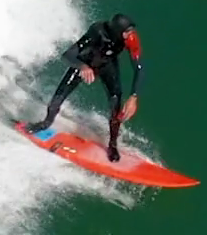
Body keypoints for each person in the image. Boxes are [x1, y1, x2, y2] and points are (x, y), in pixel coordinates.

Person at [26, 13, 143, 161]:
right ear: (117, 31)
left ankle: (112, 145)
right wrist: (83, 67)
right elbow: (68, 54)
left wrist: (134, 97)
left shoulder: (131, 39)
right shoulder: (97, 32)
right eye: (127, 31)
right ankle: (45, 123)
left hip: (107, 65)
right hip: (84, 63)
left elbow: (139, 68)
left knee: (116, 101)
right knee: (59, 95)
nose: (130, 34)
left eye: (131, 31)